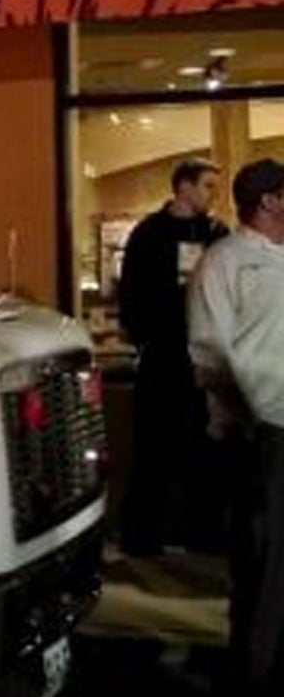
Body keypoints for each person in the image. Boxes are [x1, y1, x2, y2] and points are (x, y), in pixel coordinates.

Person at [187, 158, 284, 697]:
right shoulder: (224, 262)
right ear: (269, 201)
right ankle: (252, 675)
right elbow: (210, 352)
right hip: (262, 431)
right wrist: (241, 420)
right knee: (264, 557)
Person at [117, 158, 229, 555]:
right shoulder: (149, 235)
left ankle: (201, 533)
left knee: (205, 450)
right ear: (183, 187)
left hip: (203, 357)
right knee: (155, 450)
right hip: (164, 356)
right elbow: (131, 295)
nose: (212, 194)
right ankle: (144, 537)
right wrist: (149, 333)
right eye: (207, 185)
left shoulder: (216, 234)